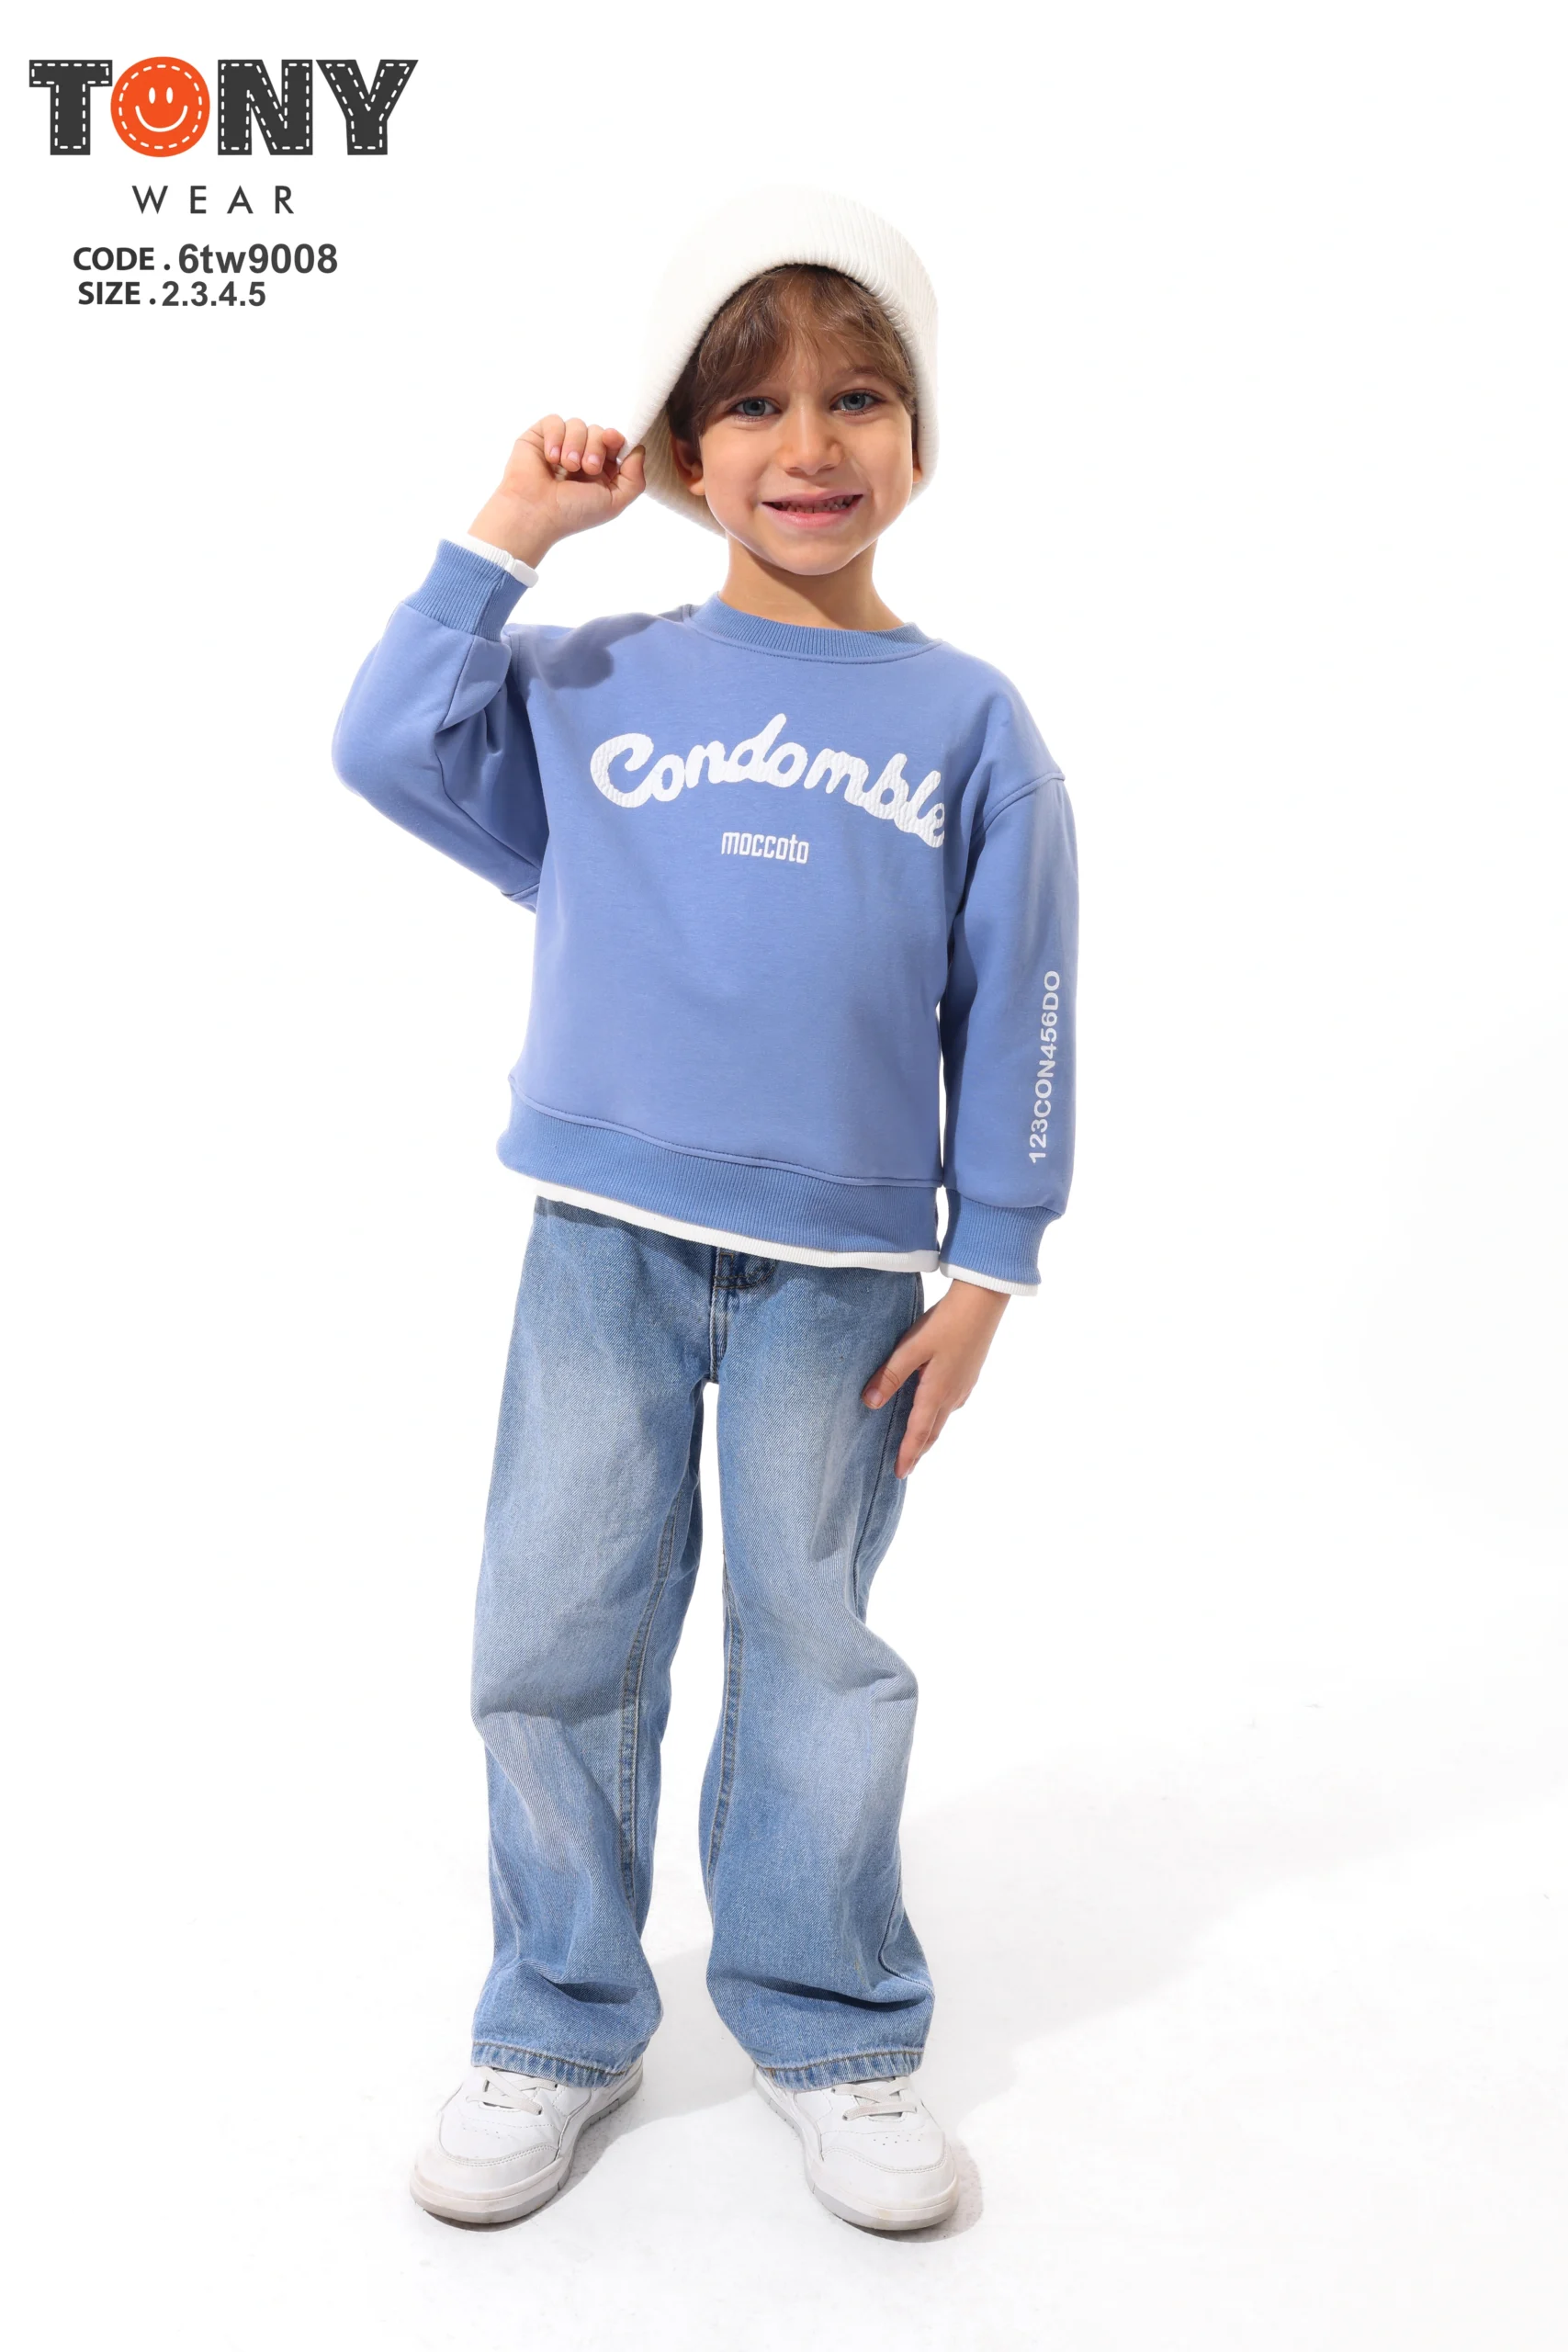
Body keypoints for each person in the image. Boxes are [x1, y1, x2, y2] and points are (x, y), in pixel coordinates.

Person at [332, 182, 1078, 2234]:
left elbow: (1021, 1002)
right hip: (603, 1238)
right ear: (676, 449)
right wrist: (508, 534)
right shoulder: (591, 682)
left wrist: (991, 1267)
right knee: (554, 1625)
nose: (807, 446)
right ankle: (559, 2015)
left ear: (917, 435)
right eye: (749, 406)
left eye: (857, 399)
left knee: (816, 1642)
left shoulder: (971, 723)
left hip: (849, 1275)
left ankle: (830, 2026)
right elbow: (385, 742)